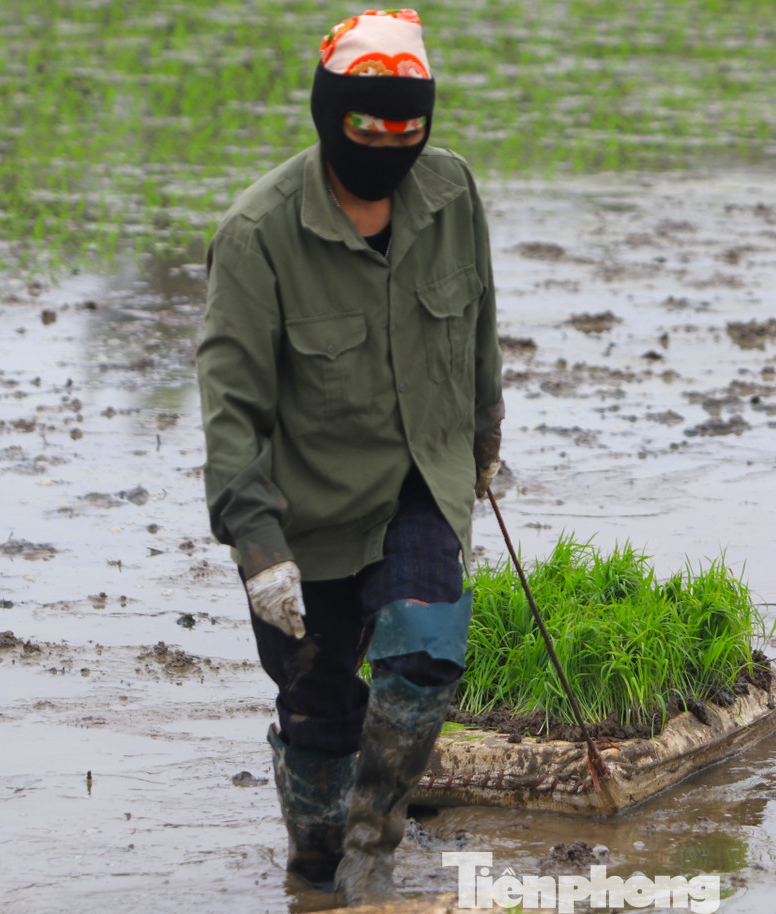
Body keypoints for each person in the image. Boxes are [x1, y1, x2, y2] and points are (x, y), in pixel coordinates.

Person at [195, 9, 503, 905]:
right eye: (368, 126)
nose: (389, 144)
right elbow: (232, 409)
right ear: (331, 116)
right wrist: (258, 552)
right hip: (309, 514)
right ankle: (318, 864)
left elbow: (479, 327)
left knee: (428, 643)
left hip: (418, 480)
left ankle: (376, 842)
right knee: (320, 715)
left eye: (408, 126)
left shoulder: (451, 196)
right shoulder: (259, 235)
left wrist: (484, 440)